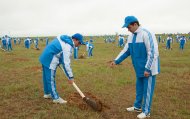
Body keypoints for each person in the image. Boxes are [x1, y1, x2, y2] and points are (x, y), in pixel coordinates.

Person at [110, 16, 160, 119]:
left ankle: (146, 112)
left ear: (135, 24)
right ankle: (137, 107)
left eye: (128, 27)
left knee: (147, 90)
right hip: (139, 69)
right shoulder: (131, 36)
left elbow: (153, 52)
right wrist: (116, 60)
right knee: (139, 89)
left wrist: (147, 69)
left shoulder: (147, 33)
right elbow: (126, 51)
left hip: (149, 70)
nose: (128, 29)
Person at [39, 33, 85, 104]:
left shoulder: (64, 39)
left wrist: (59, 61)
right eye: (79, 43)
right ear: (75, 40)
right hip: (50, 59)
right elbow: (66, 63)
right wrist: (70, 77)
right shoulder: (68, 46)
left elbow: (59, 51)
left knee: (46, 77)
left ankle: (47, 93)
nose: (79, 45)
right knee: (50, 79)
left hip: (45, 56)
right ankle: (56, 98)